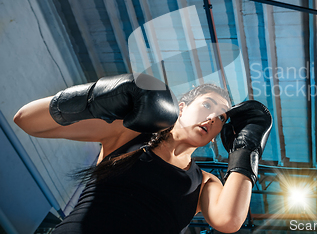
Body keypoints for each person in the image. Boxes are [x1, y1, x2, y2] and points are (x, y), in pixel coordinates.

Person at [13, 73, 272, 233]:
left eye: (221, 117)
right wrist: (95, 96)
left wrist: (246, 147)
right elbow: (26, 120)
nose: (212, 118)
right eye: (207, 105)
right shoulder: (129, 133)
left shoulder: (204, 182)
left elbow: (229, 220)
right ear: (181, 107)